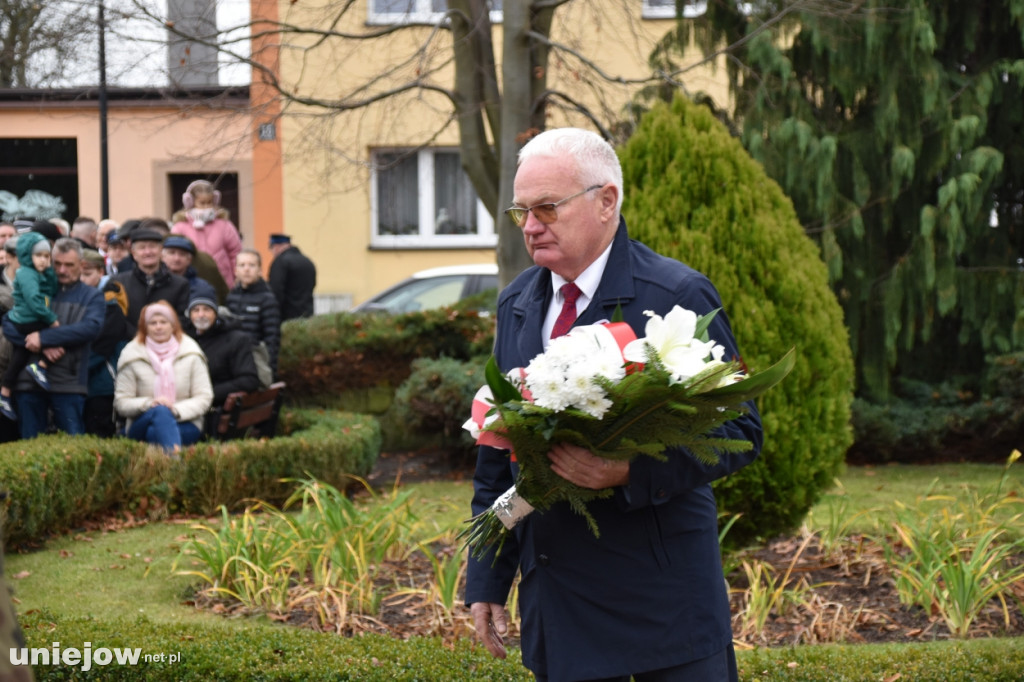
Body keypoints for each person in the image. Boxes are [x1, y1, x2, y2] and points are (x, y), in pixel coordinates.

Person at [465, 128, 763, 682]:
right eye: (521, 212)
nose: (530, 226)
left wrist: (628, 471)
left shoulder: (676, 294)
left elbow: (739, 432)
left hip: (663, 612)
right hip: (561, 605)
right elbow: (500, 454)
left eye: (547, 208)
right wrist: (488, 577)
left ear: (607, 201)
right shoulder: (517, 302)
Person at [1, 238, 105, 439]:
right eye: (57, 264)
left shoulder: (92, 296)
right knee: (30, 447)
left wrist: (43, 338)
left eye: (69, 265)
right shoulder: (37, 289)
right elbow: (8, 323)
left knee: (73, 446)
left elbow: (90, 329)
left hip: (69, 382)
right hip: (28, 382)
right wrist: (41, 345)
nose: (62, 270)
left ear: (81, 265)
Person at [114, 301, 213, 453]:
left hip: (185, 421)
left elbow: (204, 397)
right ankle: (175, 465)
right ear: (145, 327)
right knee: (160, 410)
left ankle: (167, 464)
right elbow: (121, 402)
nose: (158, 327)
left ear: (173, 326)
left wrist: (174, 410)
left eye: (163, 322)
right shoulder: (131, 354)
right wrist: (149, 404)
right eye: (153, 323)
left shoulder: (191, 353)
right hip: (142, 421)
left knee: (155, 432)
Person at [184, 287, 260, 433]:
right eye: (196, 310)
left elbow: (249, 380)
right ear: (189, 315)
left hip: (217, 413)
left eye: (206, 309)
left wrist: (208, 393)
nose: (201, 315)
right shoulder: (184, 340)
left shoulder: (236, 339)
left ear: (216, 312)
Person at [0, 232, 59, 420]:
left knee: (20, 356)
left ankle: (5, 393)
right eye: (38, 255)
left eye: (46, 256)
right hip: (26, 322)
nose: (43, 260)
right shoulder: (26, 274)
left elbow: (50, 291)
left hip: (29, 321)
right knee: (61, 338)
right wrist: (52, 319)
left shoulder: (37, 273)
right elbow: (34, 300)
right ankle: (41, 365)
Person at [112, 228, 190, 328]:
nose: (148, 252)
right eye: (142, 248)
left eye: (152, 247)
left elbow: (182, 320)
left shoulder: (180, 284)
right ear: (134, 253)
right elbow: (115, 319)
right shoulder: (119, 283)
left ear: (161, 251)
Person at [171, 180, 242, 288]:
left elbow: (236, 253)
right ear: (190, 202)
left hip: (222, 283)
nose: (206, 207)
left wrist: (238, 277)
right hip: (189, 284)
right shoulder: (180, 227)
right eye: (202, 203)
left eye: (209, 203)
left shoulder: (225, 225)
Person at [225, 248, 281, 377]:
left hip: (256, 360)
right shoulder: (231, 297)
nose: (246, 269)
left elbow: (272, 338)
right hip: (234, 360)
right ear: (235, 270)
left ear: (260, 270)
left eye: (252, 265)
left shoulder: (267, 298)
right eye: (242, 265)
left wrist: (270, 368)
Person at [268, 234, 316, 321]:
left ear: (276, 246)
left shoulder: (280, 261)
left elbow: (275, 290)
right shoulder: (307, 261)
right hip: (307, 315)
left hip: (287, 318)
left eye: (271, 248)